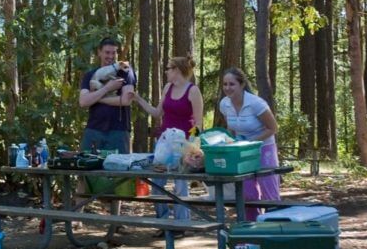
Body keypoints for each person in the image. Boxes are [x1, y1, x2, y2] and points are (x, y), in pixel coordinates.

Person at [134, 56, 204, 229]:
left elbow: (199, 123)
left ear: (177, 70)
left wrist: (193, 148)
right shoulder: (167, 88)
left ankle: (181, 224)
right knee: (157, 182)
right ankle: (162, 222)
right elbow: (157, 113)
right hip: (164, 142)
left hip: (183, 144)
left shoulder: (193, 91)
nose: (166, 71)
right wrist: (138, 99)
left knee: (180, 185)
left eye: (168, 68)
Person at [219, 67, 280, 221]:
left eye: (231, 84)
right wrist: (230, 145)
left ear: (241, 84)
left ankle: (275, 228)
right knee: (247, 193)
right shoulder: (224, 104)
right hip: (242, 151)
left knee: (269, 190)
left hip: (264, 148)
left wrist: (251, 143)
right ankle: (252, 229)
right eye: (225, 84)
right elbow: (231, 128)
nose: (227, 88)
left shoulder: (256, 103)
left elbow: (273, 128)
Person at [79, 38, 137, 154]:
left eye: (114, 53)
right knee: (88, 169)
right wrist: (107, 88)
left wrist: (96, 98)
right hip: (93, 129)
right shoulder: (90, 75)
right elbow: (83, 102)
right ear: (99, 52)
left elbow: (126, 100)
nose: (110, 56)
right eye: (107, 52)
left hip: (118, 131)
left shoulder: (126, 72)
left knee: (118, 171)